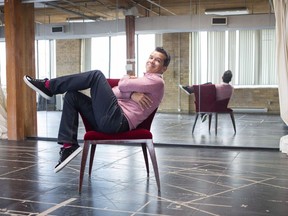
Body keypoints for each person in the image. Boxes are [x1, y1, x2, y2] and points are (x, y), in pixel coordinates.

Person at [23, 47, 171, 173]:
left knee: (96, 75)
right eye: (151, 57)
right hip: (109, 119)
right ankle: (68, 146)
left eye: (157, 60)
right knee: (72, 96)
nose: (151, 61)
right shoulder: (143, 80)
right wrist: (132, 94)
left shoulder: (157, 82)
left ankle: (49, 86)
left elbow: (123, 84)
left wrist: (126, 79)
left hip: (118, 121)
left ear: (164, 68)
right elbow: (115, 92)